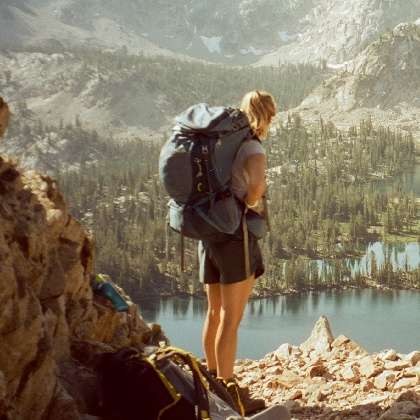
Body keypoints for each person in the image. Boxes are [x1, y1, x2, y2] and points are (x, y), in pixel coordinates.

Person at [199, 90, 277, 415]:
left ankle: (210, 383)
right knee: (231, 319)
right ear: (267, 116)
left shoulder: (222, 144)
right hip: (236, 236)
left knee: (213, 312)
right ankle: (227, 392)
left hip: (210, 232)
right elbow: (256, 186)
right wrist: (251, 203)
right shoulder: (253, 147)